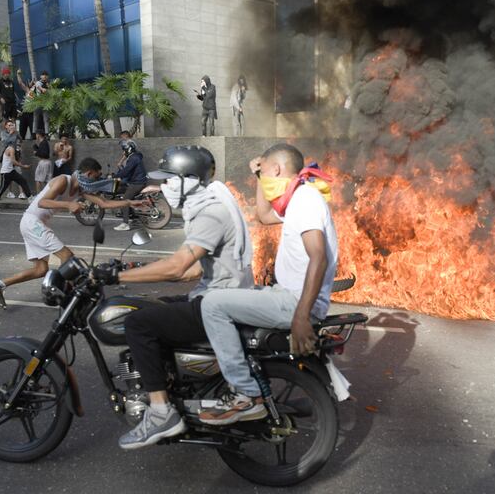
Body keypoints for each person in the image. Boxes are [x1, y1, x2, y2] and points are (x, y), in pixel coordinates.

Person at [109, 145, 254, 449]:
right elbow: (195, 271)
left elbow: (177, 268)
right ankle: (179, 386)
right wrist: (138, 269)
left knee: (137, 323)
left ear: (191, 179)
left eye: (169, 180)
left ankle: (162, 412)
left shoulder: (211, 212)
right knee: (155, 308)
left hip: (220, 304)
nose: (164, 187)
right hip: (220, 294)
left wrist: (117, 277)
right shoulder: (206, 203)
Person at [198, 144, 337, 425]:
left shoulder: (306, 200)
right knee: (222, 293)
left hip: (293, 302)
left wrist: (300, 316)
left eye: (265, 171)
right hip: (285, 295)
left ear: (276, 169)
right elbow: (263, 217)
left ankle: (247, 395)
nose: (263, 175)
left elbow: (318, 257)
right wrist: (260, 180)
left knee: (212, 305)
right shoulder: (297, 197)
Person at [0, 157, 144, 309]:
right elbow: (41, 202)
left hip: (34, 224)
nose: (97, 180)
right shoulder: (63, 180)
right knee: (67, 257)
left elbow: (104, 203)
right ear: (88, 174)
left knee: (40, 270)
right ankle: (61, 294)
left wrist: (130, 202)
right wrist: (68, 205)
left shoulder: (81, 189)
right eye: (96, 176)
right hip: (32, 222)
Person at [0, 120, 32, 210]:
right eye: (9, 125)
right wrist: (24, 166)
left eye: (12, 125)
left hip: (11, 171)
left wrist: (18, 137)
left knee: (22, 181)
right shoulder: (9, 145)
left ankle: (30, 198)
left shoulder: (13, 145)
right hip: (6, 172)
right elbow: (13, 161)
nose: (12, 126)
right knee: (2, 188)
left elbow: (20, 139)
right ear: (6, 127)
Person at [112, 138, 147, 231]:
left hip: (137, 183)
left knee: (124, 200)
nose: (123, 152)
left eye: (124, 149)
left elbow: (127, 170)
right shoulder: (134, 157)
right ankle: (135, 219)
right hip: (135, 181)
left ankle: (125, 224)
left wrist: (116, 176)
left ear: (129, 149)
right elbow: (127, 171)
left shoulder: (133, 158)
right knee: (123, 191)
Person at [15, 69, 34, 140]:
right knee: (22, 132)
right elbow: (20, 83)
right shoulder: (27, 90)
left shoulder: (36, 92)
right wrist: (18, 75)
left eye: (32, 82)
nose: (30, 83)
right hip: (24, 113)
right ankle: (19, 148)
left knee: (33, 132)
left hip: (32, 113)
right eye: (30, 82)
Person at [33, 70, 51, 134]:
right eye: (43, 75)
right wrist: (43, 89)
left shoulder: (48, 84)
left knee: (46, 119)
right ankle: (34, 133)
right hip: (38, 102)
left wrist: (49, 87)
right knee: (36, 119)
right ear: (41, 76)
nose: (45, 76)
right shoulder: (38, 82)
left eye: (46, 75)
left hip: (46, 103)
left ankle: (47, 133)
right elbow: (39, 88)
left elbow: (51, 92)